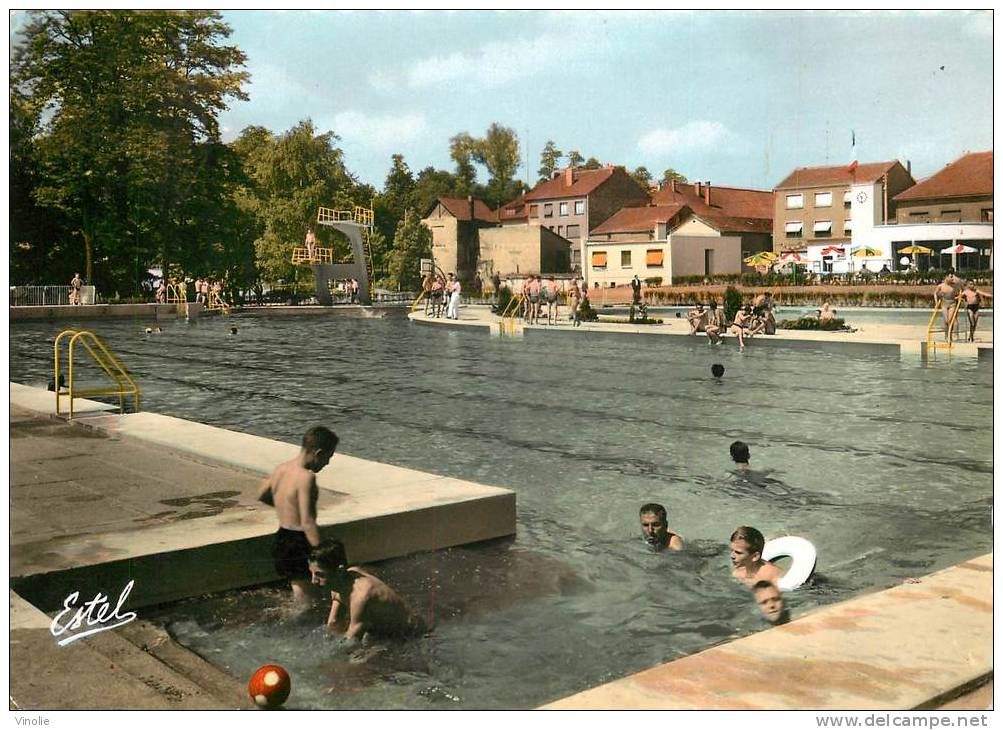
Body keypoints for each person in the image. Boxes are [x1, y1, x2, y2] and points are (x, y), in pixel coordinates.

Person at [256, 425, 339, 604]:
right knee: (308, 604)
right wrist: (325, 555)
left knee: (300, 593)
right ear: (318, 453)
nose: (327, 463)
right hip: (298, 542)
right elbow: (307, 522)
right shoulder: (306, 478)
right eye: (328, 457)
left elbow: (262, 494)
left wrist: (285, 508)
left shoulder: (281, 469)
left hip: (281, 539)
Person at [309, 539, 426, 642]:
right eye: (312, 573)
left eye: (320, 574)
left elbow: (351, 642)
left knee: (356, 659)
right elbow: (334, 624)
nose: (313, 581)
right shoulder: (338, 581)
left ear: (339, 571)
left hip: (410, 634)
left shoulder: (361, 596)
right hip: (381, 631)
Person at [933, 276, 960, 342]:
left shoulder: (954, 286)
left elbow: (960, 291)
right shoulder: (941, 286)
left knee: (950, 320)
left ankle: (950, 335)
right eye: (950, 277)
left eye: (952, 277)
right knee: (946, 321)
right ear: (946, 277)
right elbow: (935, 293)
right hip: (944, 304)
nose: (952, 279)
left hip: (952, 304)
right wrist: (936, 302)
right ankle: (946, 334)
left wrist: (958, 297)